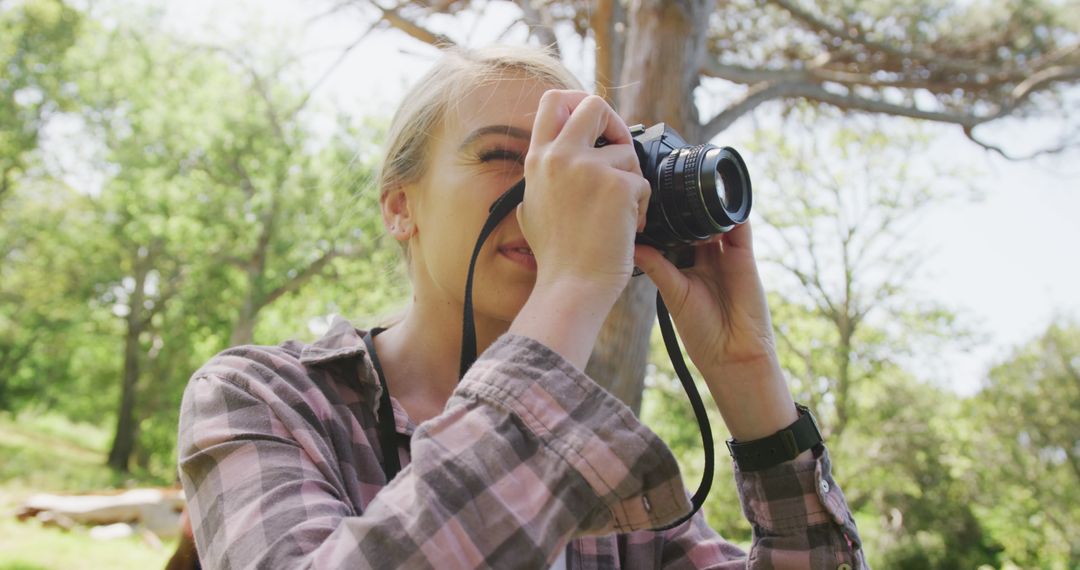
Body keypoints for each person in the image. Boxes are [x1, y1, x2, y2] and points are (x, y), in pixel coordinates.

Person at [177, 44, 867, 569]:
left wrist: (748, 376)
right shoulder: (264, 398)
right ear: (399, 205)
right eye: (508, 158)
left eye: (575, 161)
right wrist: (573, 282)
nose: (549, 192)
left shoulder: (599, 463)